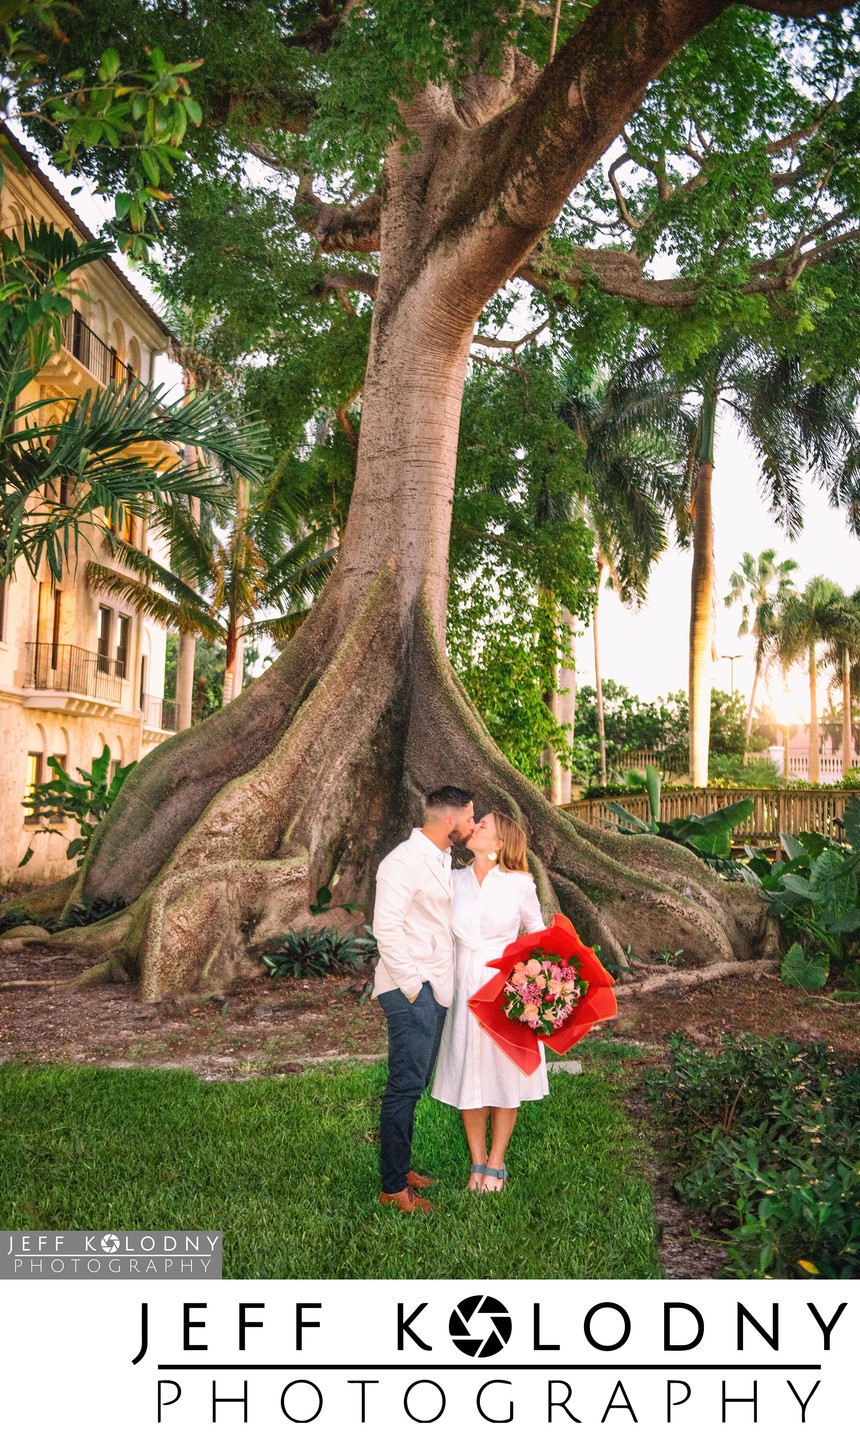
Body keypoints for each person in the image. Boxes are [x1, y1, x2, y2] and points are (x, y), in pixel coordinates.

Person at [372, 785, 476, 1213]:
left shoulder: (442, 858)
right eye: (470, 818)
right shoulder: (401, 862)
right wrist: (414, 987)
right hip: (409, 990)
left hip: (434, 989)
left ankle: (401, 1167)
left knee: (412, 1087)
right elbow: (386, 928)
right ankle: (393, 1188)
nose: (472, 826)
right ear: (450, 820)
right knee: (404, 1088)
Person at [432, 811, 547, 1191]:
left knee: (502, 1074)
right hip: (465, 984)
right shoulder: (454, 880)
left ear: (498, 844)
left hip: (504, 987)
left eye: (483, 826)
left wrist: (532, 982)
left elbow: (539, 936)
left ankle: (496, 1162)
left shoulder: (519, 885)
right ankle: (476, 1162)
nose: (475, 827)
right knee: (469, 1070)